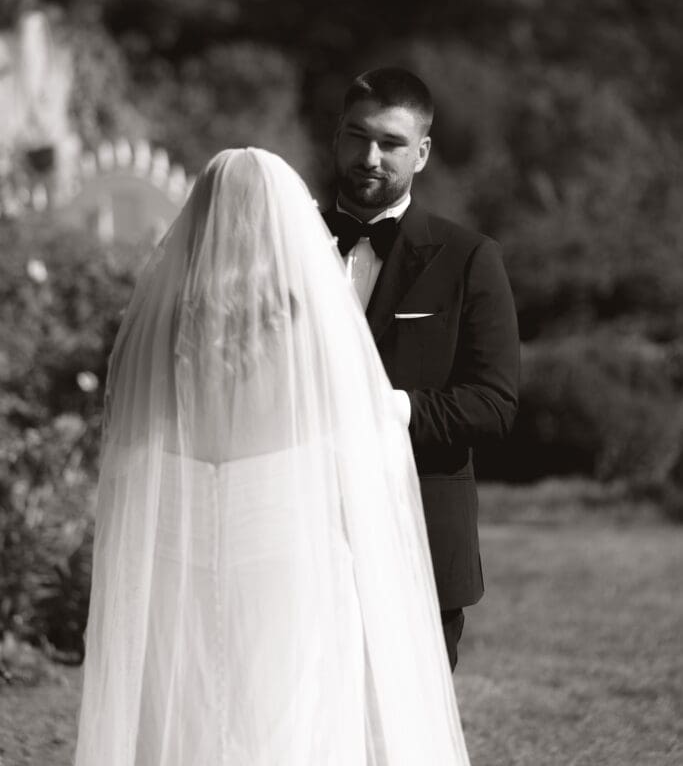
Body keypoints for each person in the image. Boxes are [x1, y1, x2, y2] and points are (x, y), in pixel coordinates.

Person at [74, 148, 471, 766]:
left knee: (186, 713)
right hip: (288, 551)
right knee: (290, 718)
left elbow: (132, 449)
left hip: (179, 553)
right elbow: (356, 446)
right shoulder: (306, 319)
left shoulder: (163, 322)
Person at [325, 67, 520, 670]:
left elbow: (495, 405)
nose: (371, 157)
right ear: (337, 137)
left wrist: (390, 407)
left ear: (423, 152)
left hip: (420, 542)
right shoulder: (289, 244)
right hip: (302, 536)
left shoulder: (469, 259)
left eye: (392, 143)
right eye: (358, 136)